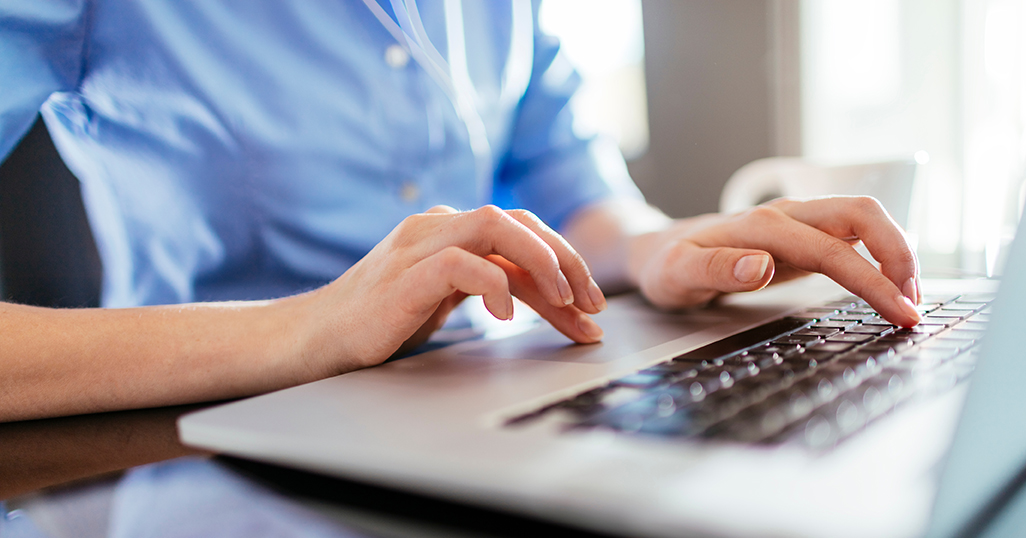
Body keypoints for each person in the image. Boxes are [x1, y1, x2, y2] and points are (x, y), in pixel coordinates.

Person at [0, 0, 921, 423]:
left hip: (481, 435)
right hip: (200, 478)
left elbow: (576, 199)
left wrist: (661, 247)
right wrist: (315, 326)